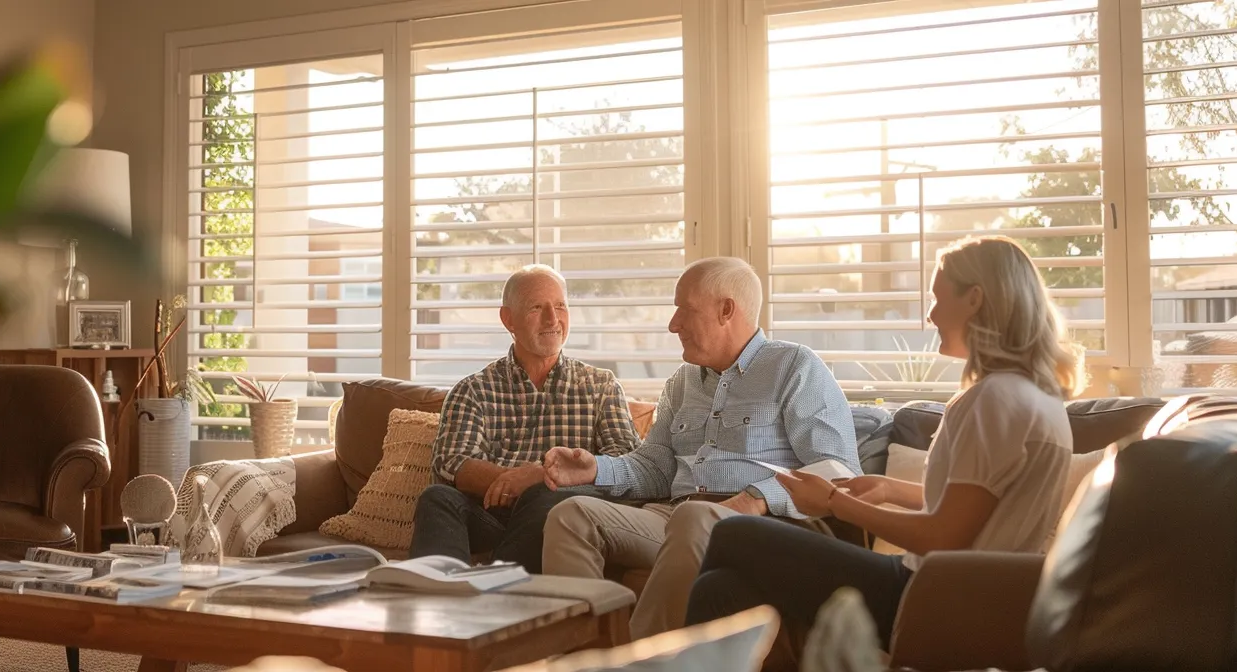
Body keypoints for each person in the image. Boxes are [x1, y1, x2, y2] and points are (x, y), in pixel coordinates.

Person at [685, 236, 1082, 653]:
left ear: (974, 300)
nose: (930, 315)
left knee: (737, 532)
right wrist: (889, 489)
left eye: (937, 298)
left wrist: (835, 504)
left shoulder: (993, 400)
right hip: (978, 593)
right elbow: (980, 506)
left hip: (935, 593)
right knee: (722, 589)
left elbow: (943, 536)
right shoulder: (1037, 397)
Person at [541, 256, 859, 638]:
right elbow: (655, 467)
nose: (673, 324)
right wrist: (595, 470)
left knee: (695, 517)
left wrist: (754, 498)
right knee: (572, 514)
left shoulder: (794, 366)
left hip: (762, 527)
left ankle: (643, 665)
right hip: (678, 519)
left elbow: (838, 469)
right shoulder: (682, 382)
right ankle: (585, 658)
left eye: (684, 310)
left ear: (726, 310)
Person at [409, 264, 642, 572]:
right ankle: (435, 594)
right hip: (492, 514)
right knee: (437, 498)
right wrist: (517, 482)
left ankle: (496, 587)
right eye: (537, 308)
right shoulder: (474, 389)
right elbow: (453, 462)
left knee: (546, 496)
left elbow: (627, 464)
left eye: (560, 306)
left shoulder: (601, 386)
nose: (553, 319)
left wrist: (539, 477)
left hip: (560, 515)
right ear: (508, 319)